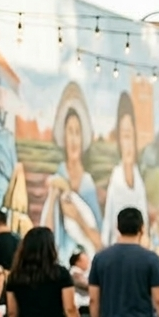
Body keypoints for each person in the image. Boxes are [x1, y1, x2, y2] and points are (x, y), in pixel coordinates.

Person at [43, 83, 102, 258]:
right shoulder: (58, 177)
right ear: (63, 135)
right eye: (70, 131)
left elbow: (99, 242)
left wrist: (76, 216)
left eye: (78, 132)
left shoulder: (88, 183)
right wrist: (54, 195)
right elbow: (48, 232)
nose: (74, 139)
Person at [101, 93, 149, 249]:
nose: (128, 143)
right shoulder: (116, 178)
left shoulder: (139, 177)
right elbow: (108, 220)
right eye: (124, 136)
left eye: (130, 135)